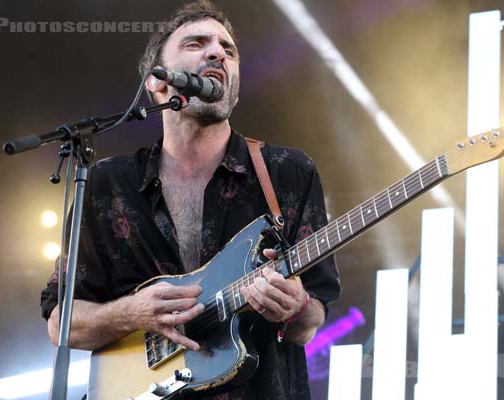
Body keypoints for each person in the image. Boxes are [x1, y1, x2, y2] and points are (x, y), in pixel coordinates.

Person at [40, 1, 340, 399]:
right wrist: (131, 312)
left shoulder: (288, 171)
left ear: (234, 87)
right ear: (157, 82)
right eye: (197, 44)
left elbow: (311, 321)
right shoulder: (106, 185)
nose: (217, 52)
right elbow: (61, 322)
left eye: (228, 50)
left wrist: (298, 307)